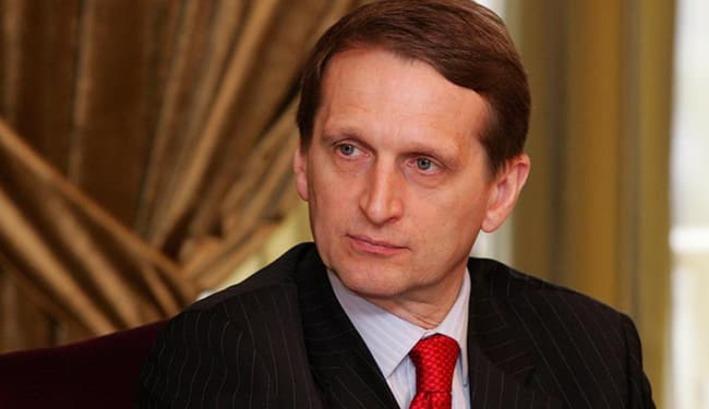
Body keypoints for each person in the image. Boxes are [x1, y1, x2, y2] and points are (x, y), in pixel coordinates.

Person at [138, 1, 655, 408]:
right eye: (349, 150)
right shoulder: (227, 351)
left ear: (500, 192)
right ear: (302, 163)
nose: (378, 204)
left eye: (424, 164)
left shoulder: (593, 346)